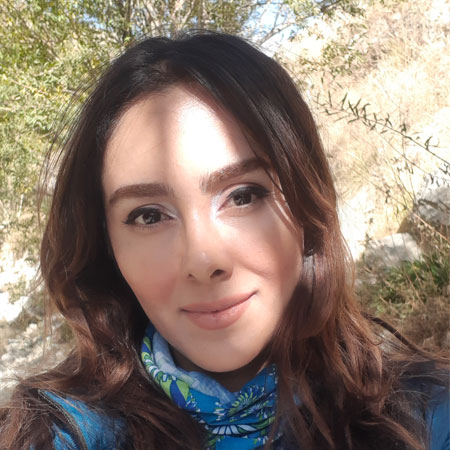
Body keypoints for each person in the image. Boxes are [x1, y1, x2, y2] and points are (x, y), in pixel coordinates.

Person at [0, 31, 448, 450]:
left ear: (308, 207)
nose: (203, 259)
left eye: (243, 195)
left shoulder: (427, 417)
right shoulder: (53, 433)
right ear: (108, 247)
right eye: (149, 215)